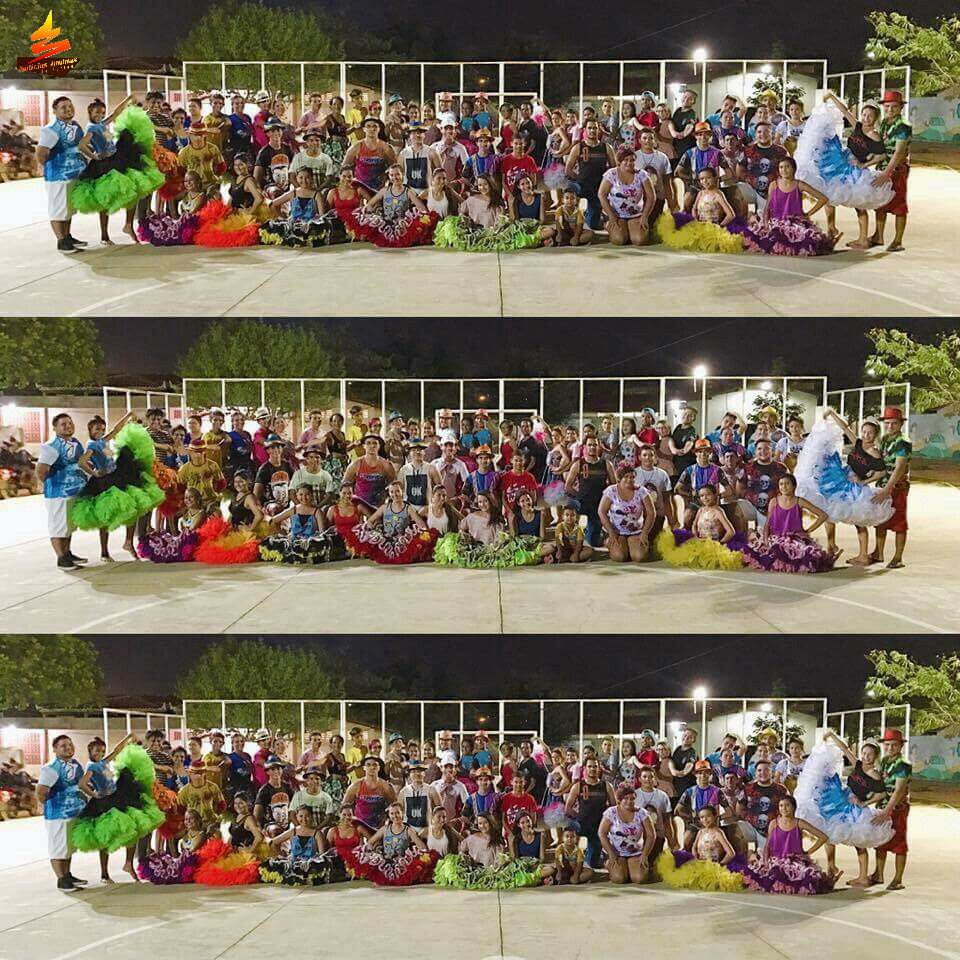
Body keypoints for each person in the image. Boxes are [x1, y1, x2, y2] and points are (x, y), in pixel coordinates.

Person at [36, 414, 90, 570]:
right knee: (58, 526)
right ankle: (61, 558)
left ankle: (67, 553)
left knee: (68, 525)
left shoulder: (75, 443)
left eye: (70, 423)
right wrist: (51, 485)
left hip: (74, 491)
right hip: (58, 492)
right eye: (63, 424)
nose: (68, 426)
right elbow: (41, 470)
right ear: (55, 428)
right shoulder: (51, 446)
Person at [36, 735, 89, 892]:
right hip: (58, 815)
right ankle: (62, 880)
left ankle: (67, 875)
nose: (68, 748)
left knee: (68, 847)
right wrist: (51, 806)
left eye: (70, 744)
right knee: (58, 848)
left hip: (74, 813)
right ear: (55, 749)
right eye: (63, 745)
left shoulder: (76, 764)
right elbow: (41, 792)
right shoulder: (51, 768)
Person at [871, 406, 911, 569]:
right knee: (880, 519)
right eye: (887, 423)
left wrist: (887, 489)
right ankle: (878, 553)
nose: (890, 426)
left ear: (901, 424)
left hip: (897, 487)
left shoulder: (903, 442)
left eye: (894, 423)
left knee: (899, 522)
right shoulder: (885, 439)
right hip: (882, 485)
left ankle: (898, 557)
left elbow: (899, 468)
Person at [564, 119, 616, 231]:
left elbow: (614, 169)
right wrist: (579, 179)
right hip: (582, 185)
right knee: (569, 186)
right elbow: (568, 170)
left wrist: (607, 185)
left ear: (599, 130)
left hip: (599, 188)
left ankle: (591, 213)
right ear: (585, 130)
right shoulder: (578, 147)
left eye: (595, 128)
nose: (592, 130)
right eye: (590, 128)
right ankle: (572, 214)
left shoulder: (607, 147)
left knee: (594, 225)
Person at [599, 146, 656, 246]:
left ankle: (630, 229)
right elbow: (602, 194)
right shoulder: (611, 174)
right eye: (626, 160)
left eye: (632, 160)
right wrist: (611, 216)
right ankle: (608, 225)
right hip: (616, 215)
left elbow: (651, 197)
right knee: (619, 240)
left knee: (640, 240)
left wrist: (644, 217)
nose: (629, 163)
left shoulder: (642, 174)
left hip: (636, 215)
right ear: (619, 161)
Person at [599, 784, 656, 884]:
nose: (630, 801)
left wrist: (644, 855)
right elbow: (602, 833)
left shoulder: (642, 813)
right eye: (626, 798)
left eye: (632, 799)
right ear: (619, 800)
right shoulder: (611, 812)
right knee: (619, 879)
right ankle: (609, 864)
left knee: (639, 879)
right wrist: (611, 854)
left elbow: (651, 835)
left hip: (635, 852)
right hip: (616, 853)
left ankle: (630, 868)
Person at [600, 465, 656, 563]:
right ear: (619, 478)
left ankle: (630, 546)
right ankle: (609, 542)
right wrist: (611, 533)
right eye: (626, 477)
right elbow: (601, 511)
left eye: (632, 477)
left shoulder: (641, 491)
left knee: (639, 557)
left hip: (636, 532)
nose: (629, 479)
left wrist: (644, 533)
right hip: (617, 532)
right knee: (620, 557)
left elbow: (651, 513)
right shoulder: (611, 491)